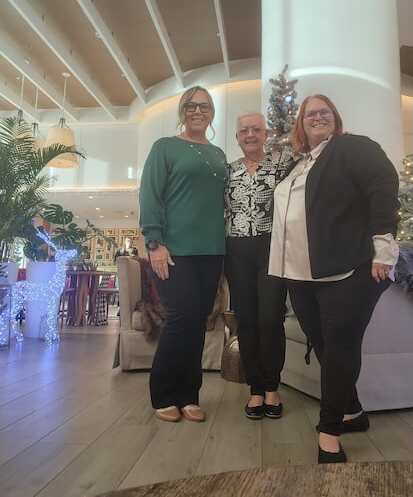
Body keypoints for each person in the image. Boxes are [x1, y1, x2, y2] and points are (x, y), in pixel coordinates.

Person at [268, 94, 400, 463]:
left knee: (340, 345)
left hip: (349, 268)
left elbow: (383, 185)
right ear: (300, 123)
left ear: (335, 117)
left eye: (324, 111)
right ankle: (352, 411)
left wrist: (383, 245)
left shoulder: (352, 147)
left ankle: (329, 434)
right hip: (299, 273)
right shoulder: (298, 163)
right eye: (309, 113)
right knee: (324, 345)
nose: (317, 117)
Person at [139, 86, 227, 423]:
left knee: (198, 321)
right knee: (180, 317)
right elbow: (150, 195)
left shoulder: (218, 154)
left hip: (212, 250)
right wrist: (154, 242)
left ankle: (189, 395)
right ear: (182, 110)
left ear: (212, 112)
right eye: (191, 105)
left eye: (204, 106)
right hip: (174, 250)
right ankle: (163, 394)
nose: (197, 111)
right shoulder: (164, 147)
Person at [224, 111, 291, 420]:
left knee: (271, 318)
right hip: (236, 251)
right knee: (247, 320)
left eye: (255, 129)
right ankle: (256, 389)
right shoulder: (228, 171)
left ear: (265, 134)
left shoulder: (282, 164)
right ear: (237, 137)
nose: (249, 135)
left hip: (271, 249)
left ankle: (272, 386)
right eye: (243, 131)